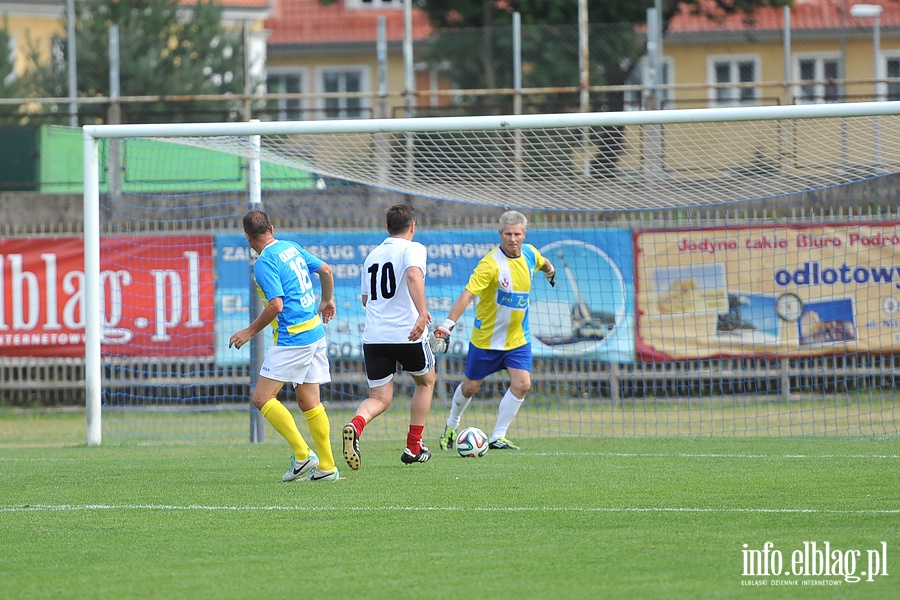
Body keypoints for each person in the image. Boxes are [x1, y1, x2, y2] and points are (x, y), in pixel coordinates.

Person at [229, 209, 339, 482]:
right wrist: (327, 300)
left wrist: (248, 331)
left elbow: (276, 304)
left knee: (261, 398)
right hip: (314, 332)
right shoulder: (291, 247)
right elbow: (326, 269)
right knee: (309, 401)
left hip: (294, 338)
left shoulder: (264, 262)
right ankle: (327, 467)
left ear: (247, 237)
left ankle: (303, 456)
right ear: (272, 228)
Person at [431, 210, 555, 451]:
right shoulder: (490, 264)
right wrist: (447, 325)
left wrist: (551, 272)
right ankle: (451, 425)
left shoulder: (530, 253)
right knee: (470, 387)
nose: (513, 238)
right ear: (500, 234)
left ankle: (498, 435)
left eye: (517, 234)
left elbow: (544, 263)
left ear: (524, 234)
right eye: (508, 234)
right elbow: (467, 294)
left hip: (518, 339)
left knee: (522, 384)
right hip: (486, 340)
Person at [342, 203, 436, 470]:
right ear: (413, 227)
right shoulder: (413, 248)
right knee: (426, 382)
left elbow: (364, 299)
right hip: (407, 333)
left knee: (380, 398)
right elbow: (413, 275)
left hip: (375, 337)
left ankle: (356, 425)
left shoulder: (372, 255)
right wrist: (422, 313)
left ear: (387, 227)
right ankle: (414, 446)